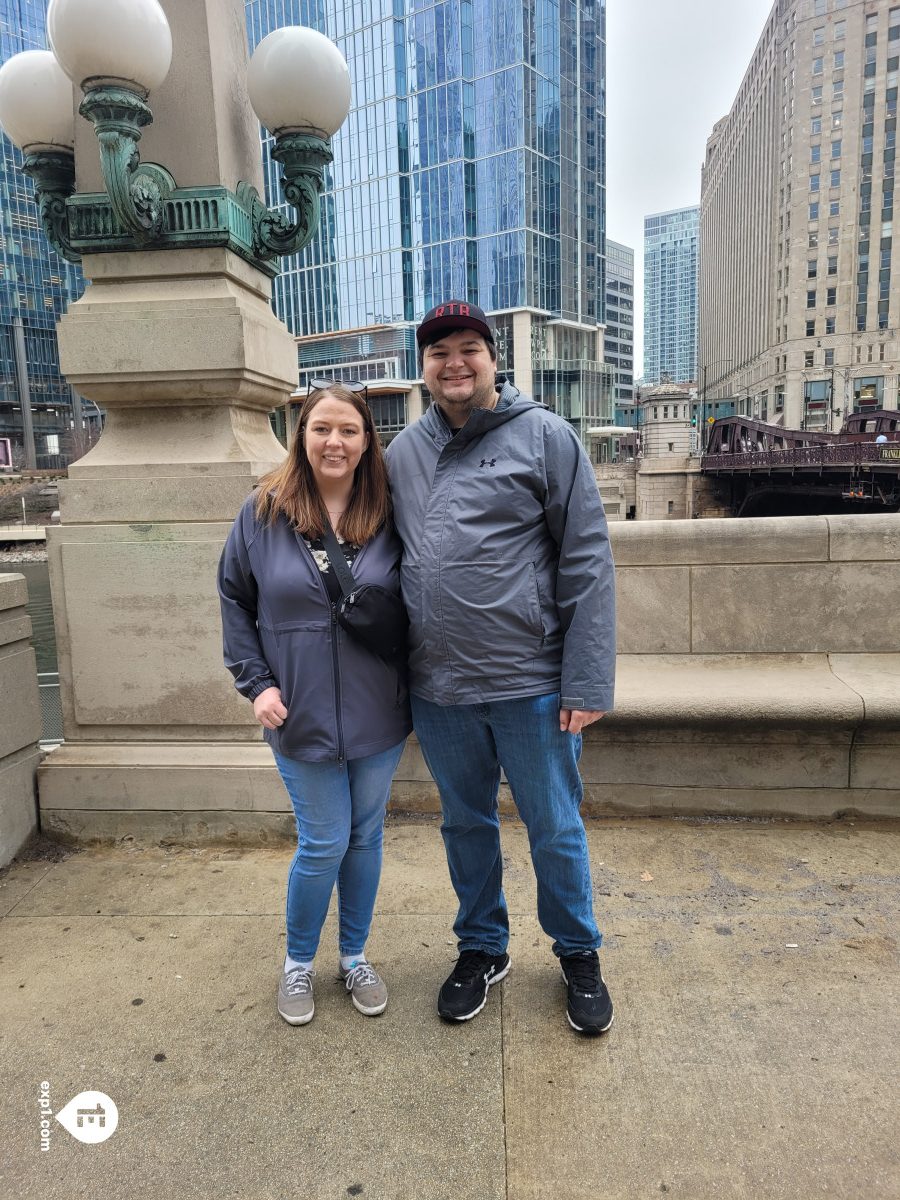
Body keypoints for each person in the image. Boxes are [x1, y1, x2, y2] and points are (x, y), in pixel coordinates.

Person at [385, 301, 616, 1035]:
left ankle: (578, 953)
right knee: (465, 825)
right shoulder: (401, 453)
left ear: (493, 359)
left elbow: (586, 560)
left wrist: (587, 679)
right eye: (439, 353)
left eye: (468, 349)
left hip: (531, 682)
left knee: (555, 827)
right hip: (439, 686)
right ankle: (482, 946)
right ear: (423, 369)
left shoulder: (546, 436)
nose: (454, 364)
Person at [218, 383, 411, 1026]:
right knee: (323, 841)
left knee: (365, 837)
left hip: (378, 710)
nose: (335, 442)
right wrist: (257, 684)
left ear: (367, 440)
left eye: (349, 430)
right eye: (321, 428)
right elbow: (234, 600)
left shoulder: (390, 511)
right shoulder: (263, 512)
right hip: (296, 709)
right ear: (300, 434)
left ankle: (354, 955)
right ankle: (298, 962)